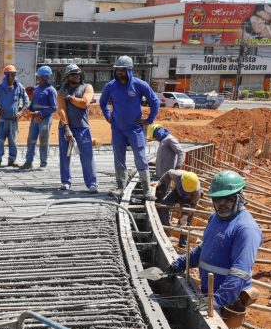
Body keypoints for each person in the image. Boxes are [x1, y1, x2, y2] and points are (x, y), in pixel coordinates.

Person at [168, 171, 262, 314]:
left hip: (228, 300)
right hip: (208, 293)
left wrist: (217, 300)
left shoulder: (246, 229)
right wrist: (181, 263)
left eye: (228, 200)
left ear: (239, 198)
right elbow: (203, 249)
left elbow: (240, 272)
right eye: (217, 200)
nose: (221, 204)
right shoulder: (215, 218)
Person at [99, 56, 160, 200]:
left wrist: (149, 120)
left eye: (122, 70)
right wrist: (108, 115)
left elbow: (155, 101)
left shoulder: (140, 85)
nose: (119, 72)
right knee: (119, 158)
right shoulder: (110, 86)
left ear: (129, 70)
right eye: (117, 70)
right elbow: (102, 103)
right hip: (117, 129)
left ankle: (146, 191)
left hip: (135, 128)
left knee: (140, 157)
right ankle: (120, 188)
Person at [57, 64, 97, 193]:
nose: (77, 76)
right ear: (68, 77)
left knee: (87, 156)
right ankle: (65, 182)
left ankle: (92, 184)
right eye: (74, 74)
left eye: (78, 74)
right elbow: (61, 109)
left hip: (82, 127)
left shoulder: (87, 87)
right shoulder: (62, 90)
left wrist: (69, 97)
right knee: (64, 155)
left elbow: (84, 103)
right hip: (65, 127)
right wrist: (66, 127)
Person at [0, 64, 29, 168]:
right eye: (11, 74)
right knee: (0, 140)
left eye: (14, 74)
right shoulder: (0, 88)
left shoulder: (19, 87)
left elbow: (26, 101)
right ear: (6, 75)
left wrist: (21, 112)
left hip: (13, 121)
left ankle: (12, 160)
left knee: (13, 141)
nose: (14, 76)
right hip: (2, 120)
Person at [22, 66, 57, 170]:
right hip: (35, 118)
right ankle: (28, 162)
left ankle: (43, 163)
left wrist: (40, 113)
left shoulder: (51, 90)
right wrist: (28, 109)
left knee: (43, 139)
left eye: (39, 77)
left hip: (45, 119)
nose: (37, 78)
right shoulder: (36, 89)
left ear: (45, 77)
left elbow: (54, 107)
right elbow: (33, 103)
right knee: (31, 139)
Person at [156, 169, 202, 248]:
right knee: (164, 205)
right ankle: (166, 228)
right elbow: (168, 173)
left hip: (188, 201)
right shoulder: (178, 175)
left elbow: (193, 205)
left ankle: (182, 243)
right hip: (176, 192)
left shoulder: (197, 191)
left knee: (185, 222)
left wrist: (186, 215)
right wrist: (159, 182)